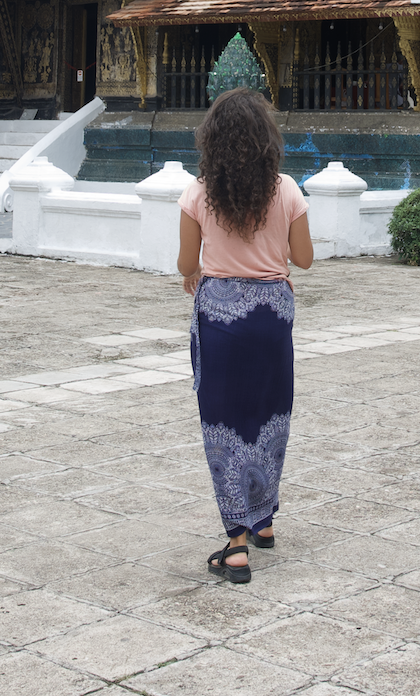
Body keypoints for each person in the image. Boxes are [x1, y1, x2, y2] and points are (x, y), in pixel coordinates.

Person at [177, 87, 314, 583]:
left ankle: (237, 542)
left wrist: (200, 272)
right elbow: (303, 259)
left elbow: (186, 264)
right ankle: (265, 520)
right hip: (272, 317)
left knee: (226, 426)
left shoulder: (197, 193)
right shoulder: (288, 190)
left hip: (220, 319)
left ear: (211, 140)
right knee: (269, 416)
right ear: (266, 139)